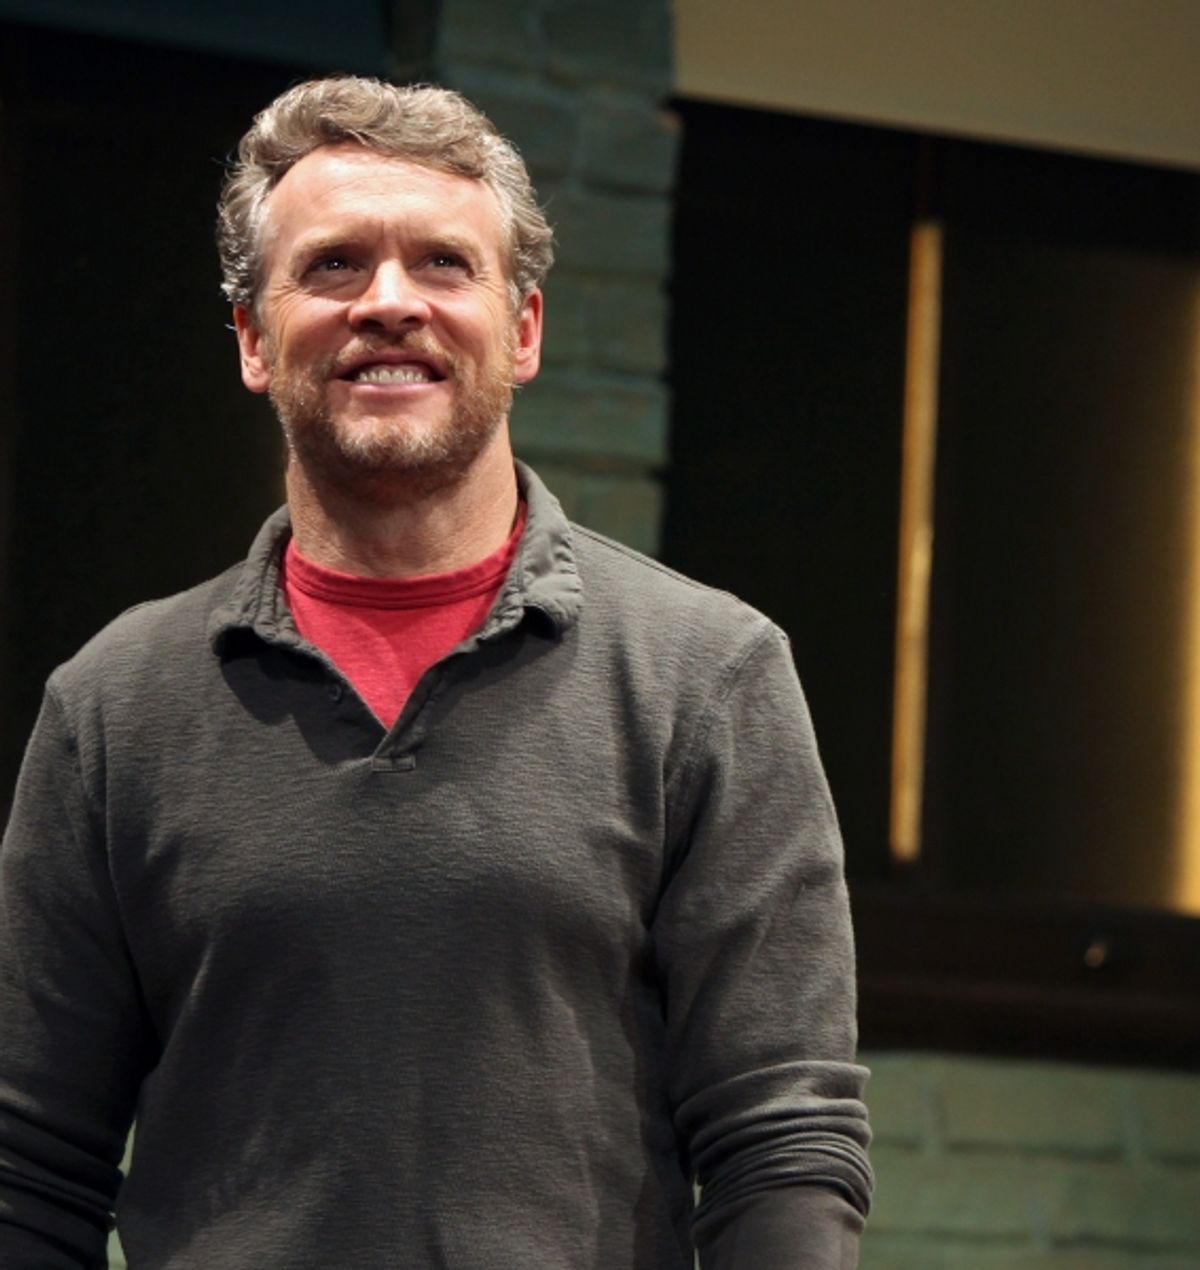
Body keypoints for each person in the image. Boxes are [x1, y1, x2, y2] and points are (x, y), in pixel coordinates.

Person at [0, 76, 872, 1268]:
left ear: (522, 330)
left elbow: (784, 1143)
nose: (391, 303)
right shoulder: (112, 707)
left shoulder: (708, 676)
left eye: (445, 265)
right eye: (336, 266)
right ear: (255, 338)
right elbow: (31, 1168)